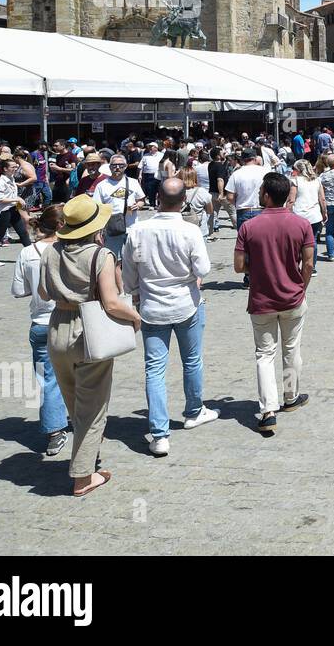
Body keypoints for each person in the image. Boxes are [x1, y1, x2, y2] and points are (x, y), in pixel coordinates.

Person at [38, 194, 141, 497]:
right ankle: (83, 475)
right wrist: (135, 317)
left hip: (57, 327)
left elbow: (44, 293)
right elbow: (110, 301)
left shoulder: (49, 252)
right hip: (89, 330)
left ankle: (89, 454)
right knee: (93, 409)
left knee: (74, 402)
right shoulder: (101, 255)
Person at [122, 177, 217, 458]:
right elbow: (204, 268)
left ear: (157, 199)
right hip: (186, 303)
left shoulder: (138, 231)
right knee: (192, 359)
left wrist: (136, 292)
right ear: (184, 201)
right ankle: (194, 410)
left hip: (151, 306)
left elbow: (128, 273)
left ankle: (160, 433)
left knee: (154, 369)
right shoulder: (189, 231)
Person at [234, 172, 315, 436]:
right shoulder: (301, 224)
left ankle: (268, 410)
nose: (258, 194)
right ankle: (290, 397)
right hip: (293, 298)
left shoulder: (249, 227)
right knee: (292, 349)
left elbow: (237, 267)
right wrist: (301, 287)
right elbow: (310, 263)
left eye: (260, 191)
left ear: (268, 195)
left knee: (264, 354)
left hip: (261, 300)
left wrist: (257, 266)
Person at [11, 205, 69, 457]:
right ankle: (82, 419)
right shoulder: (69, 250)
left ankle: (54, 432)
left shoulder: (27, 252)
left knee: (47, 379)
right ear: (61, 226)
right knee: (80, 373)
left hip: (41, 322)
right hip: (70, 320)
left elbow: (18, 290)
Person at [93, 155, 145, 258]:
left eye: (121, 165)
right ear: (109, 167)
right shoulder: (102, 185)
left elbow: (141, 200)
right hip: (112, 228)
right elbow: (97, 209)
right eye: (114, 165)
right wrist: (97, 232)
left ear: (125, 166)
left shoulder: (133, 182)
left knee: (135, 259)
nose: (117, 168)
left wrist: (138, 205)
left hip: (132, 227)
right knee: (114, 259)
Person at [0, 158, 32, 266]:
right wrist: (17, 199)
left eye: (16, 167)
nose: (15, 169)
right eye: (13, 167)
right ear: (5, 169)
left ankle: (31, 255)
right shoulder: (0, 182)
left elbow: (10, 195)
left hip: (12, 209)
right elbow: (0, 199)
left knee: (23, 232)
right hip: (3, 211)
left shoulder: (11, 179)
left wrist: (18, 200)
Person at [289, 159, 326, 259]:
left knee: (297, 241)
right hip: (314, 216)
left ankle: (297, 265)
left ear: (298, 169)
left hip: (298, 215)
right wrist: (324, 213)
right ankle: (311, 267)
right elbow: (322, 199)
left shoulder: (295, 181)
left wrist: (287, 213)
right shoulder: (317, 180)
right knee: (312, 241)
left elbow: (291, 200)